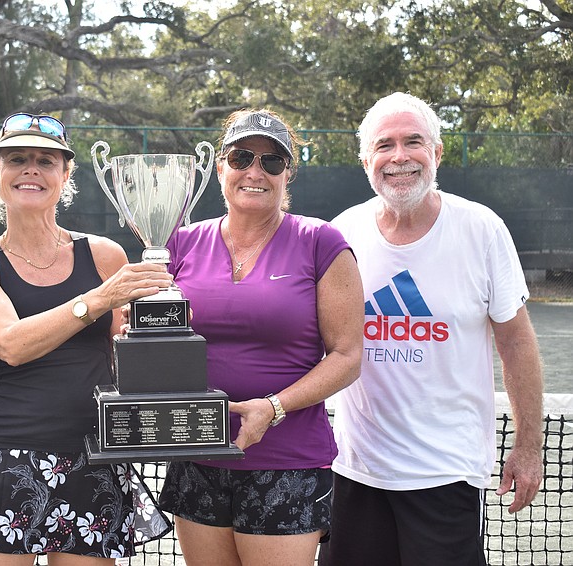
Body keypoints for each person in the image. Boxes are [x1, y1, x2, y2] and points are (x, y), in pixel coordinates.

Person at [319, 92, 545, 566]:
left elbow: (516, 342)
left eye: (413, 142)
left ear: (437, 153)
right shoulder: (342, 234)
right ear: (365, 161)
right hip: (356, 472)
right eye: (384, 145)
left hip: (447, 475)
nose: (399, 157)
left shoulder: (482, 230)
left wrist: (528, 447)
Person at [0, 113, 172, 564]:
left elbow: (124, 354)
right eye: (17, 159)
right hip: (7, 456)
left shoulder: (105, 254)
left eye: (46, 161)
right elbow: (10, 344)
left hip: (95, 453)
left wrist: (159, 332)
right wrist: (98, 299)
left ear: (65, 174)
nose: (31, 170)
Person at [156, 109, 365, 566]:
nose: (255, 172)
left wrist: (273, 408)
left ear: (287, 174)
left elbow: (348, 356)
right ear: (220, 168)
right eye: (241, 158)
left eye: (271, 162)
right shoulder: (179, 243)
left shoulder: (321, 241)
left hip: (287, 461)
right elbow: (152, 340)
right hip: (197, 457)